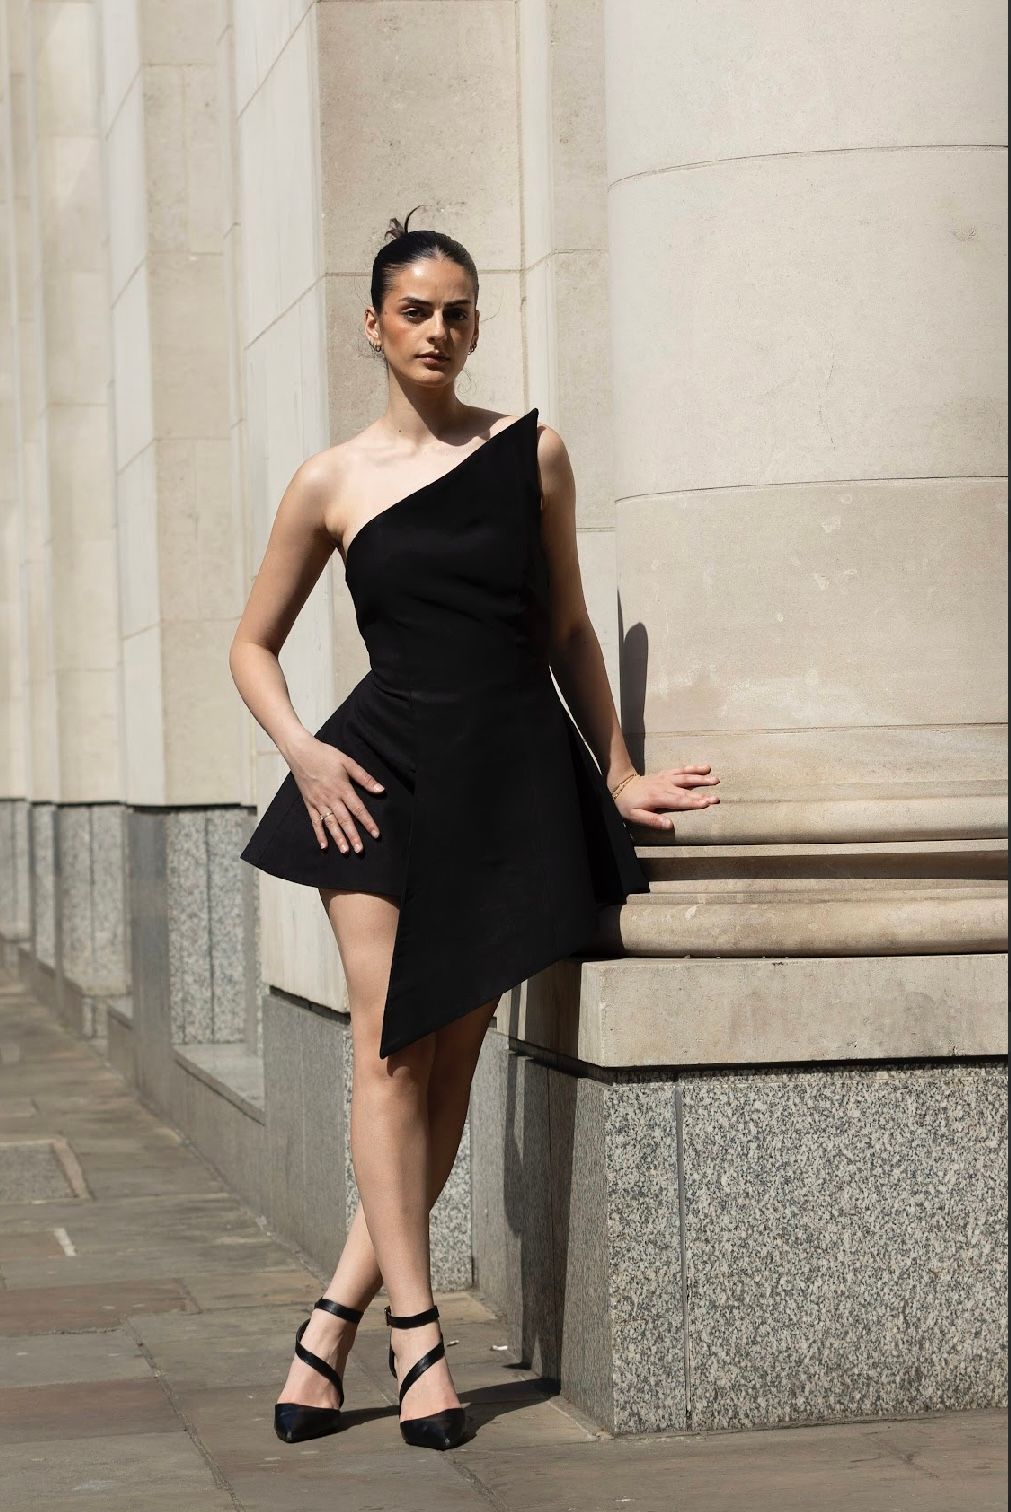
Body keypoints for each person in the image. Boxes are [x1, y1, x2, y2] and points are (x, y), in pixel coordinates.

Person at [228, 207, 721, 1452]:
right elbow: (251, 645)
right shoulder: (331, 479)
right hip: (376, 779)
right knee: (388, 1051)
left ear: (477, 321)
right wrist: (303, 749)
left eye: (458, 311)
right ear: (374, 325)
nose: (439, 330)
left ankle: (328, 1322)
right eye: (416, 311)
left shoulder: (533, 449)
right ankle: (418, 1336)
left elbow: (564, 626)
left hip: (504, 778)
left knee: (451, 1057)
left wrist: (616, 773)